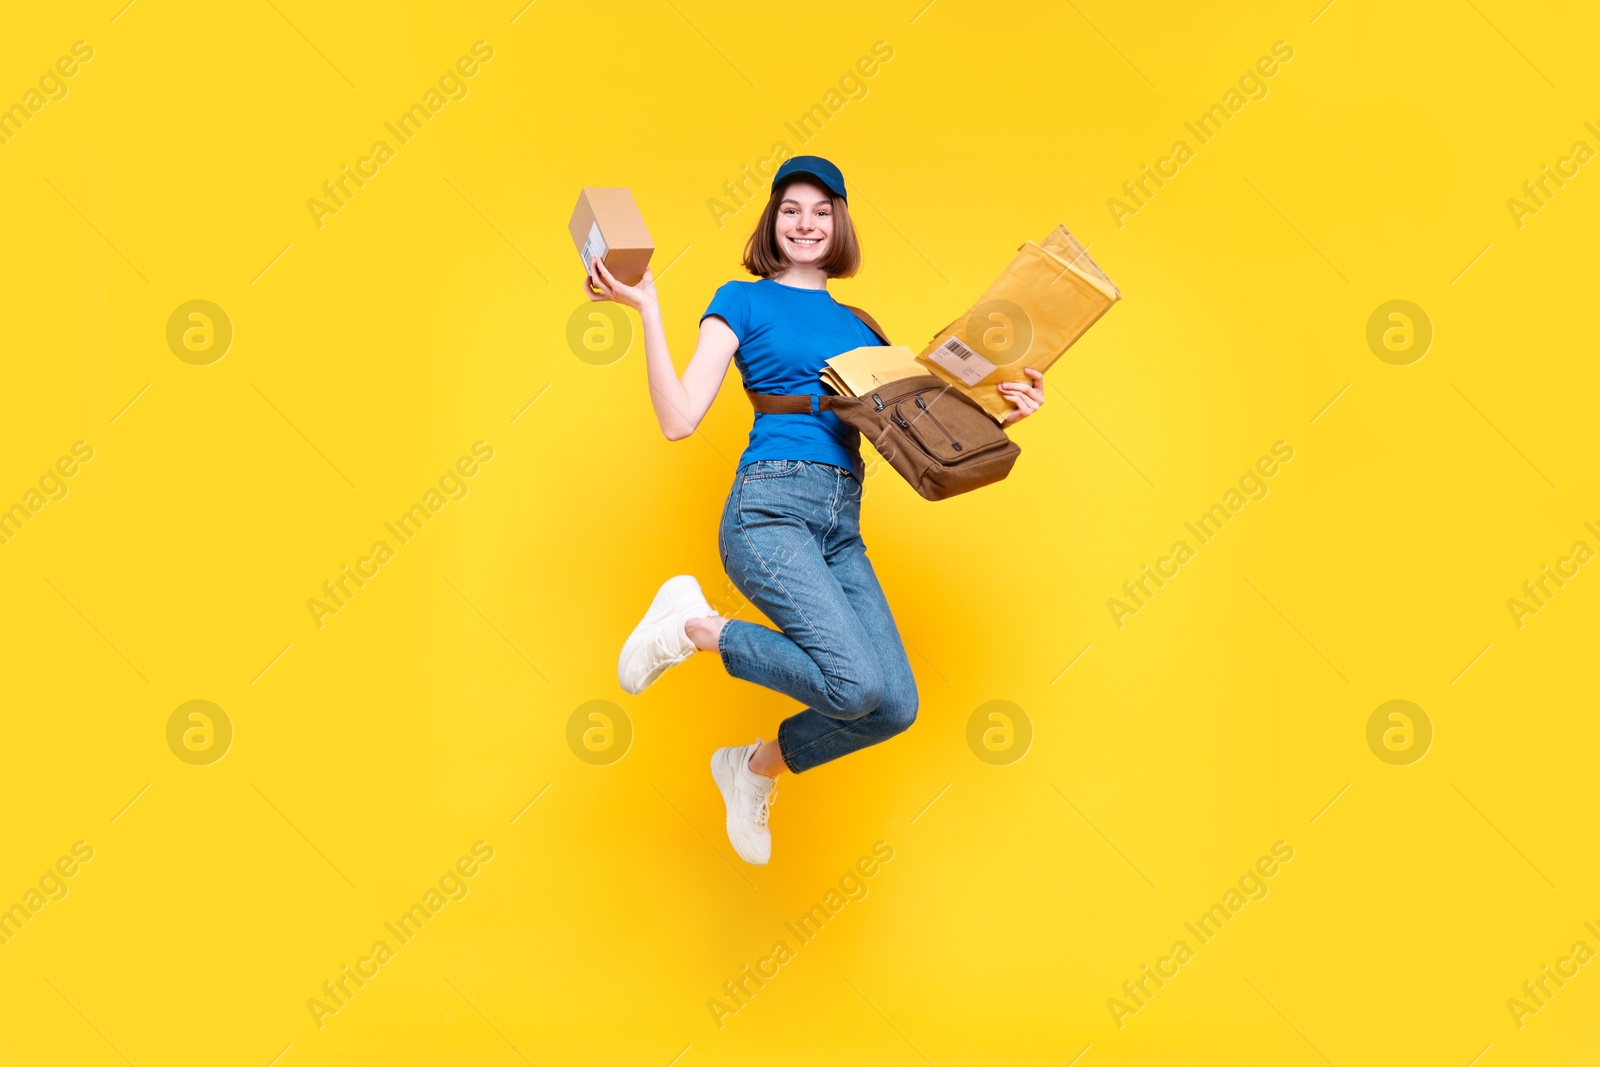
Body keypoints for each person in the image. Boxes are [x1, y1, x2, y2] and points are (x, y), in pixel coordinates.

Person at [587, 155, 1044, 865]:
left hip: (840, 525)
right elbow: (679, 418)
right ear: (773, 220)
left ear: (840, 225)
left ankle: (754, 765)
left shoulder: (864, 328)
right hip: (769, 509)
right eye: (791, 208)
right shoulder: (741, 300)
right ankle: (693, 624)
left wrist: (1007, 416)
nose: (806, 222)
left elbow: (923, 441)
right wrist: (647, 308)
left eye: (821, 210)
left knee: (892, 704)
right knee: (853, 681)